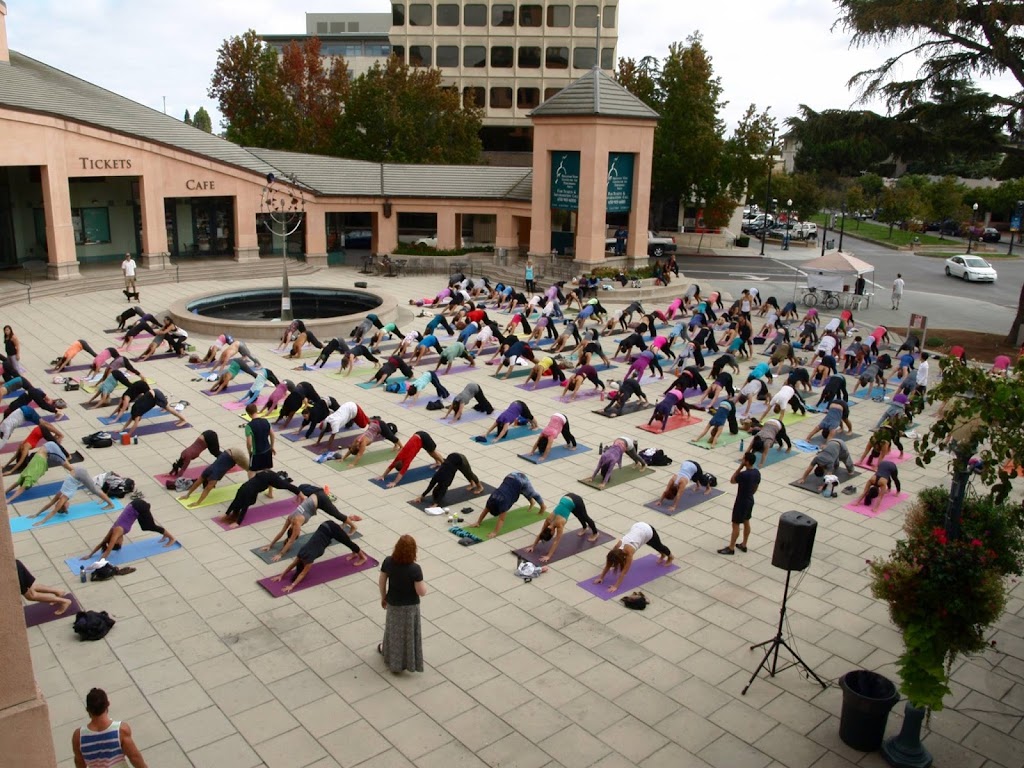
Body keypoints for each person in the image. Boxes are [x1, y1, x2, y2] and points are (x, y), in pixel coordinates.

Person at [272, 520, 368, 594]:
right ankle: (354, 553)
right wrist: (281, 576)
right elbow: (292, 565)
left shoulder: (308, 560)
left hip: (330, 529)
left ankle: (363, 557)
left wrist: (292, 586)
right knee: (345, 540)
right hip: (324, 527)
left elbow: (302, 574)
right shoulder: (301, 554)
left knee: (348, 542)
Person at [378, 534, 426, 673]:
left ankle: (390, 656)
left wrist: (383, 597)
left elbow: (382, 582)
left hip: (393, 603)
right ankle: (408, 660)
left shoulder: (388, 562)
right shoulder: (415, 569)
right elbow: (421, 591)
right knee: (409, 634)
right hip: (410, 606)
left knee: (393, 631)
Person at [72, 688, 147, 768]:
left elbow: (79, 762)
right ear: (107, 704)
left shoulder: (78, 736)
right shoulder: (120, 730)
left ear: (87, 709)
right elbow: (134, 757)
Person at [81, 499, 176, 560]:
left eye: (120, 543)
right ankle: (165, 534)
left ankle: (171, 538)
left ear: (116, 542)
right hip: (134, 507)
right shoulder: (112, 532)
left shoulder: (116, 532)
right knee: (144, 527)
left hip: (139, 506)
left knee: (150, 526)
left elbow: (108, 549)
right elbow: (102, 543)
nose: (122, 541)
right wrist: (90, 555)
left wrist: (100, 561)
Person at [594, 522, 673, 593]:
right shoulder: (615, 549)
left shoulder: (629, 553)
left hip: (647, 530)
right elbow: (608, 564)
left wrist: (615, 586)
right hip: (637, 527)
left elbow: (624, 572)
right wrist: (601, 577)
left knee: (658, 545)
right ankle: (662, 555)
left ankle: (670, 557)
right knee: (652, 544)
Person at [526, 493, 600, 562]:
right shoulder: (548, 520)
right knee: (578, 514)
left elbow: (556, 541)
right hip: (566, 498)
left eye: (552, 535)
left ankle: (595, 533)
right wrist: (532, 546)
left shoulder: (559, 524)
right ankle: (585, 527)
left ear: (552, 532)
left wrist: (548, 556)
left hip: (576, 500)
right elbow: (541, 533)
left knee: (585, 516)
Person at [470, 471, 546, 538]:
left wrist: (495, 532)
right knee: (521, 489)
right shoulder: (491, 500)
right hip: (510, 476)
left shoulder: (503, 504)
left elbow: (501, 519)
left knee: (531, 493)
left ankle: (543, 506)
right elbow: (485, 510)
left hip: (521, 479)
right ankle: (531, 502)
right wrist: (478, 522)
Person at [718, 452, 760, 555]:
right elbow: (755, 487)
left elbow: (732, 480)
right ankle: (744, 544)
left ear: (747, 461)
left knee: (736, 524)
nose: (742, 460)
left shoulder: (743, 474)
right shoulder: (757, 473)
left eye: (743, 459)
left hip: (741, 501)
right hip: (750, 499)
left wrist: (739, 468)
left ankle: (731, 548)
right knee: (746, 521)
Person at [178, 447, 249, 507]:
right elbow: (198, 483)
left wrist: (198, 502)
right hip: (229, 452)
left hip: (236, 455)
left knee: (251, 469)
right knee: (250, 468)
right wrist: (187, 495)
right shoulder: (208, 471)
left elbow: (206, 490)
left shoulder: (213, 477)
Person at [378, 430, 445, 488]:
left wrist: (394, 482)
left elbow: (401, 473)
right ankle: (438, 462)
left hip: (423, 437)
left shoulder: (406, 461)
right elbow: (390, 467)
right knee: (430, 452)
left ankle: (443, 464)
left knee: (432, 452)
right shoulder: (398, 459)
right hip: (418, 436)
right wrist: (383, 476)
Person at [414, 453, 485, 505]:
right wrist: (421, 496)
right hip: (451, 457)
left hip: (460, 459)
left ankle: (480, 487)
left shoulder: (446, 482)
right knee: (465, 472)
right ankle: (472, 483)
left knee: (469, 473)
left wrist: (435, 504)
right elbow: (430, 486)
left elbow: (442, 492)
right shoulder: (436, 477)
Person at [244, 403, 276, 479]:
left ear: (248, 414)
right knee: (268, 471)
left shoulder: (249, 426)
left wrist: (249, 451)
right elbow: (272, 435)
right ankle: (270, 491)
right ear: (256, 410)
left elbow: (249, 443)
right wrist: (272, 446)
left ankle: (252, 489)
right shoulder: (265, 421)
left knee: (251, 471)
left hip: (257, 452)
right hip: (267, 450)